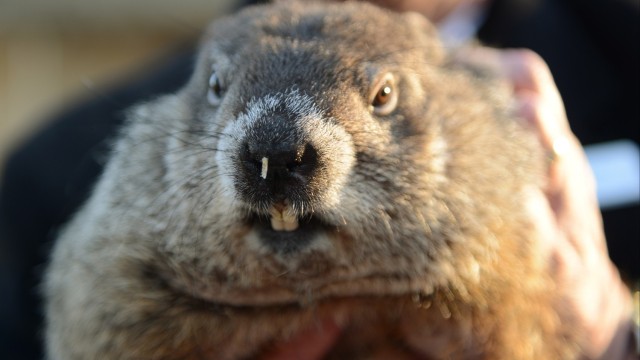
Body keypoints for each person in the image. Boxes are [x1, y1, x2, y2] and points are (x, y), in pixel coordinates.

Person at [0, 0, 637, 358]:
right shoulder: (51, 171)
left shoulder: (619, 51)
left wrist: (612, 337)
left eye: (382, 97)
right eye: (220, 91)